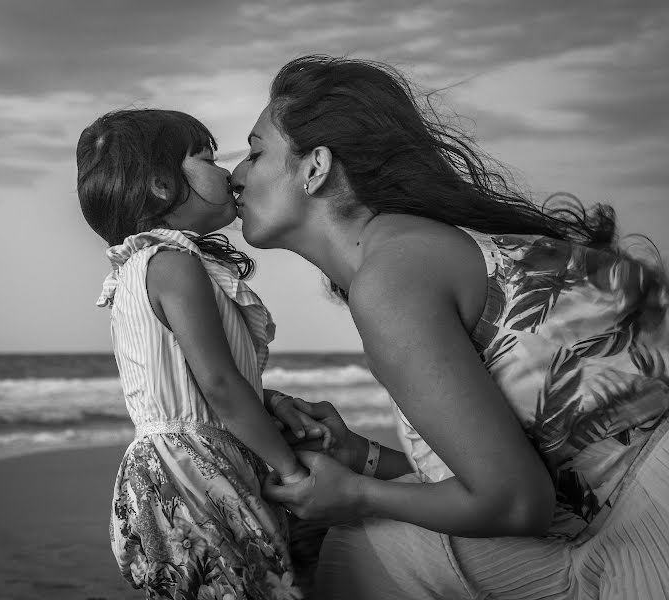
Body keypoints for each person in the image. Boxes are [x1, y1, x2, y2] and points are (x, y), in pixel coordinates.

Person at [231, 55, 669, 599]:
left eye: (255, 152)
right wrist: (362, 460)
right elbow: (508, 469)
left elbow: (515, 501)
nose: (237, 175)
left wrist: (359, 495)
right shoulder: (412, 250)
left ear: (315, 167)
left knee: (362, 539)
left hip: (650, 525)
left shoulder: (392, 277)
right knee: (373, 544)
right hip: (617, 509)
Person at [76, 108, 326, 599]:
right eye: (209, 158)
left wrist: (268, 400)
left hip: (172, 469)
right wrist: (292, 471)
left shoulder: (146, 266)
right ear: (162, 185)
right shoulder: (173, 264)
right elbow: (219, 385)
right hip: (192, 469)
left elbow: (194, 378)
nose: (229, 172)